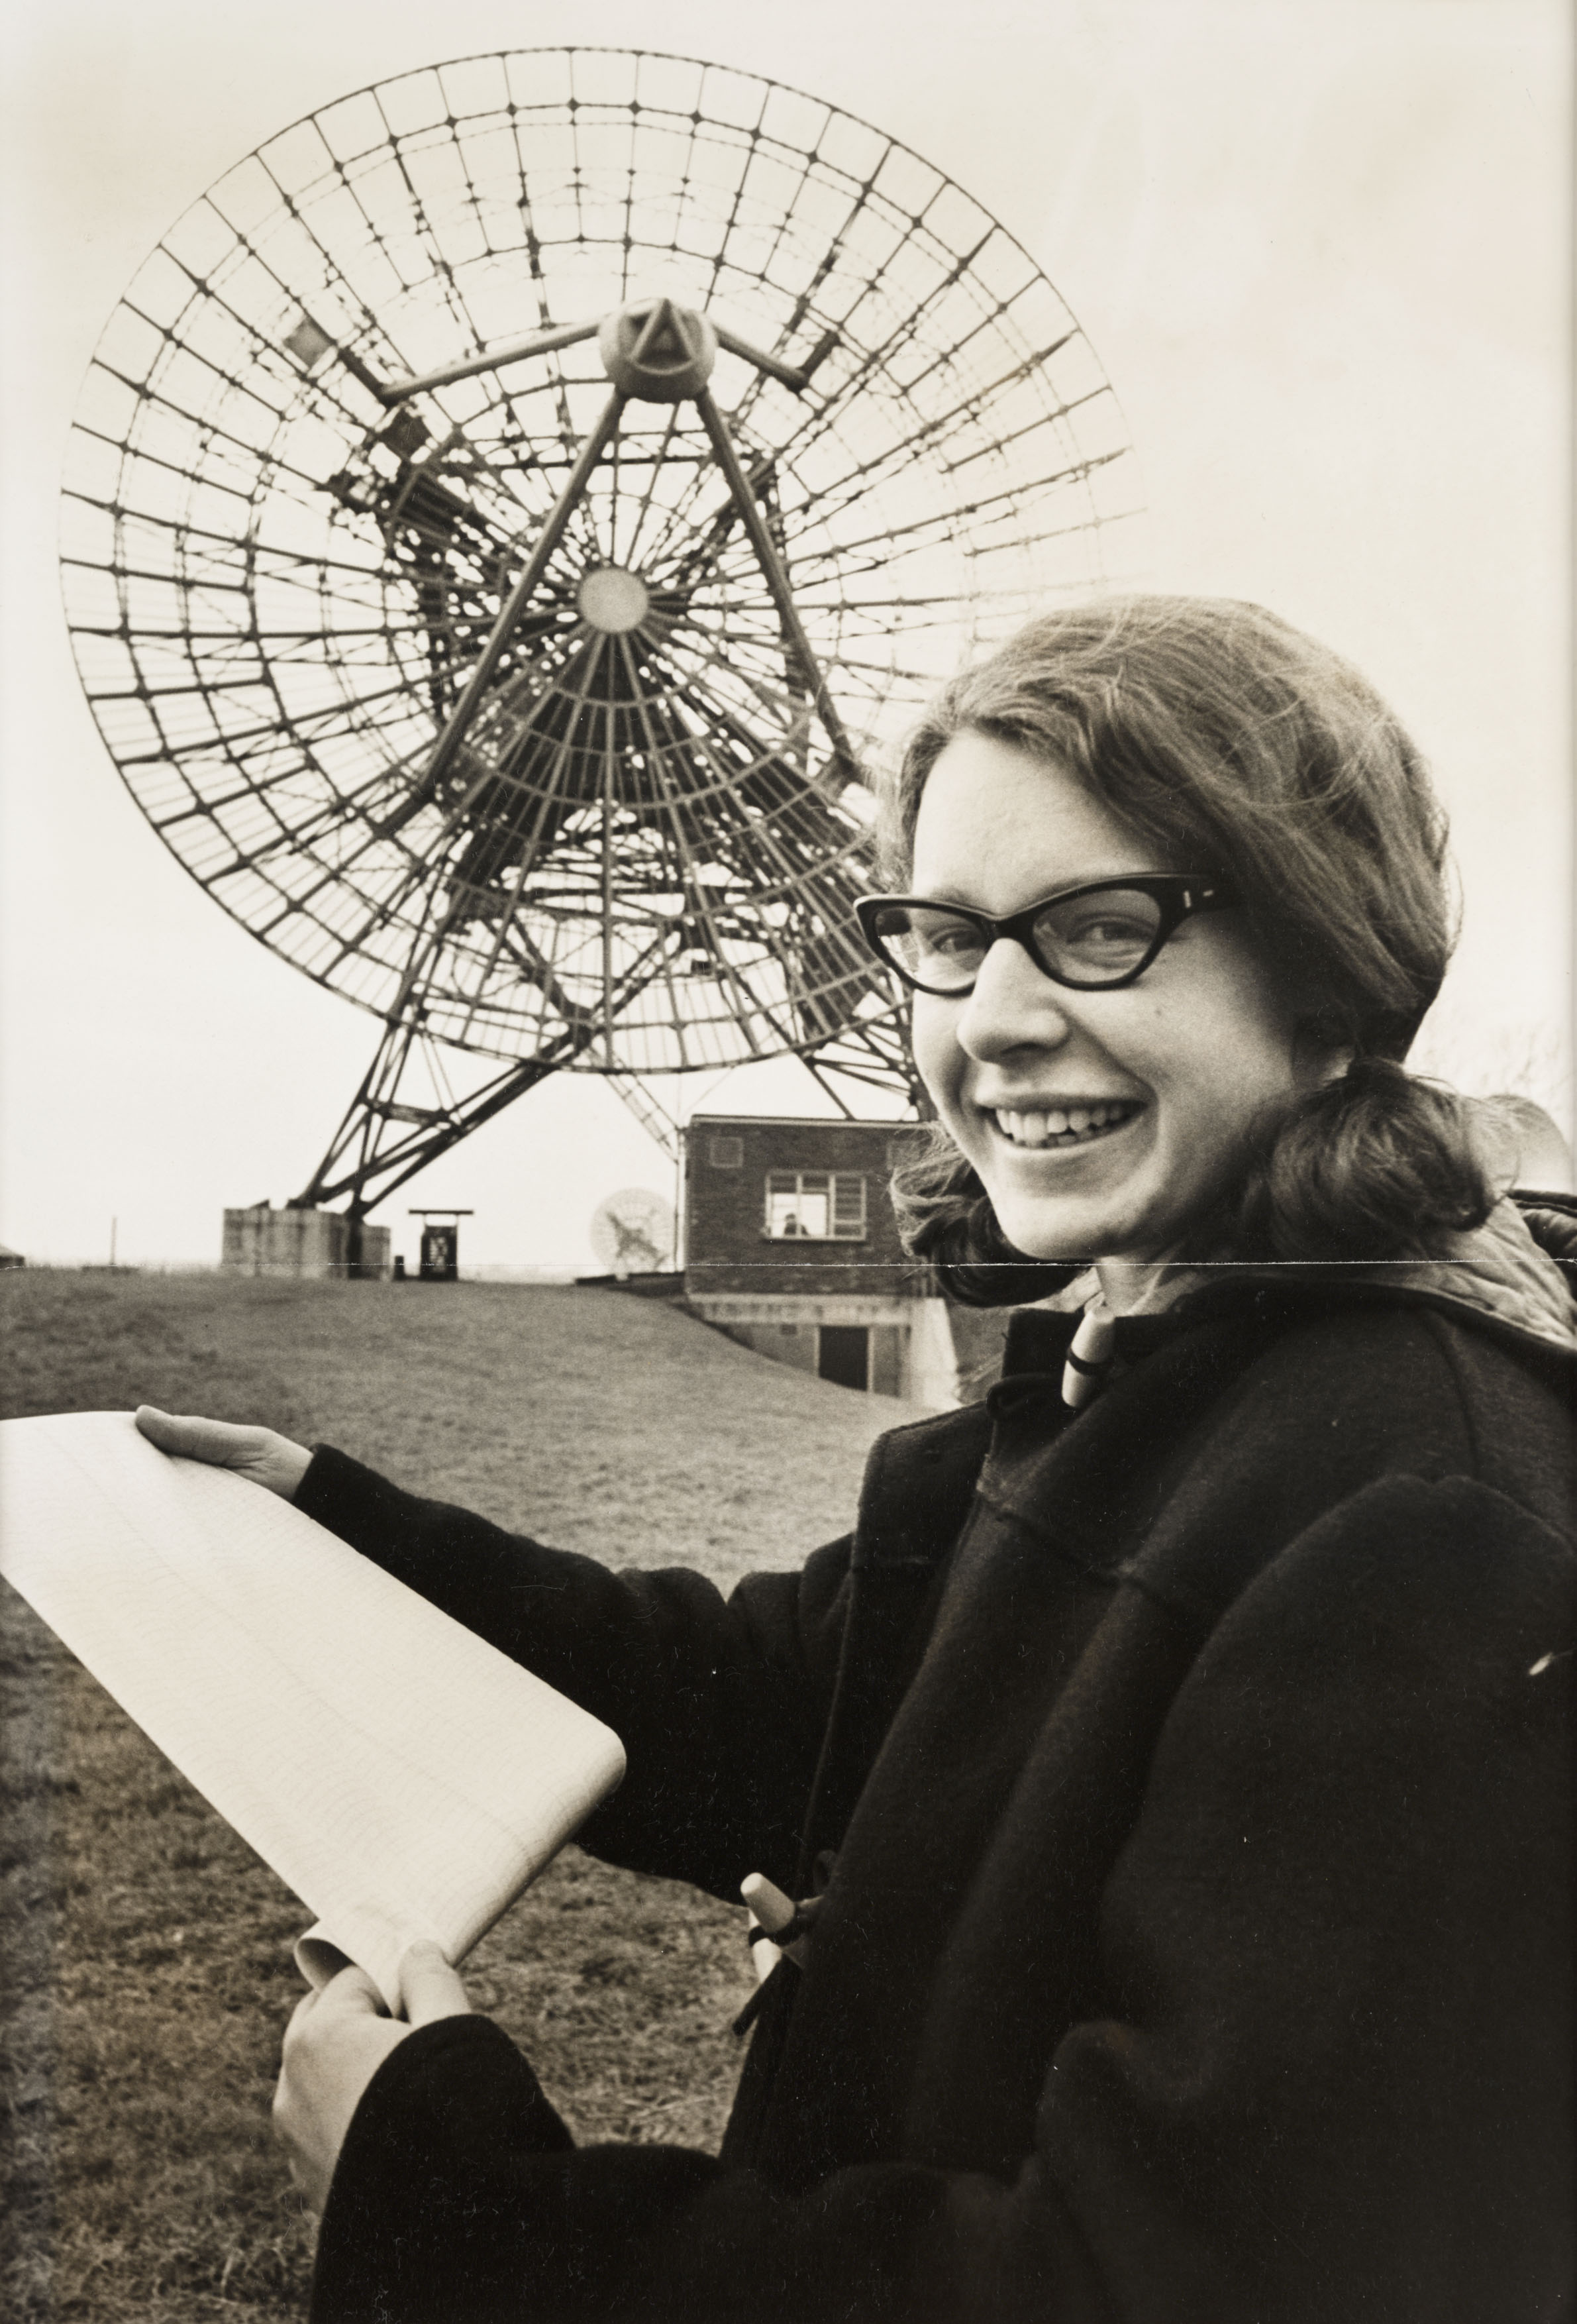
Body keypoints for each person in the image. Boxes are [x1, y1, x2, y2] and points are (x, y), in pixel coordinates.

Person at [138, 596, 1575, 2324]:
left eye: (1101, 927)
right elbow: (779, 1702)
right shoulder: (1148, 1373)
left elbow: (1143, 2283)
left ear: (1335, 969)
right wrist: (332, 1525)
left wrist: (460, 2199)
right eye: (948, 936)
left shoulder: (1426, 1526)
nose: (997, 1017)